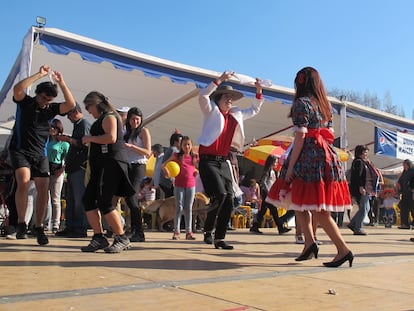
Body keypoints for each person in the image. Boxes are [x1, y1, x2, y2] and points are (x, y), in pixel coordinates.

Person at [266, 67, 353, 267]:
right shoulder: (325, 105)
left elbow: (300, 137)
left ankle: (343, 249)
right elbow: (328, 133)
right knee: (300, 203)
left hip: (308, 158)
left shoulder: (301, 104)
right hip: (327, 157)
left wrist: (290, 167)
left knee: (317, 209)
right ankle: (309, 243)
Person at [9, 65, 76, 245]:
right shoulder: (25, 102)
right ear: (38, 94)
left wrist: (61, 83)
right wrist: (40, 74)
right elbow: (17, 89)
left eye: (50, 99)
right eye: (44, 98)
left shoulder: (50, 109)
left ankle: (38, 226)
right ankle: (21, 222)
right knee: (23, 181)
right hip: (20, 150)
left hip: (40, 154)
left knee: (43, 190)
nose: (46, 102)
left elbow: (71, 105)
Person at [198, 70, 264, 250]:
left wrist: (258, 90)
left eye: (231, 98)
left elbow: (255, 109)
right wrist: (219, 80)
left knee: (229, 198)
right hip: (207, 161)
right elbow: (203, 94)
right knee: (221, 196)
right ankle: (208, 230)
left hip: (223, 161)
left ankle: (218, 238)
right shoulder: (211, 110)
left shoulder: (236, 114)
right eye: (226, 97)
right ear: (218, 98)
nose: (230, 100)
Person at [80, 91, 135, 253]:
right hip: (100, 165)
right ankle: (98, 237)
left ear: (95, 104)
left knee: (105, 202)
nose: (88, 111)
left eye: (88, 107)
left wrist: (89, 138)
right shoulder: (103, 118)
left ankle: (122, 237)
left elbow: (111, 137)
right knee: (88, 199)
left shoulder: (110, 116)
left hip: (111, 164)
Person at [55, 103, 91, 238]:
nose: (68, 118)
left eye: (69, 114)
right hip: (73, 168)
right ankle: (71, 226)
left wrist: (68, 139)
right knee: (70, 199)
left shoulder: (84, 124)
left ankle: (80, 227)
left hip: (79, 167)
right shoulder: (78, 125)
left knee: (78, 199)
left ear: (75, 112)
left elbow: (84, 144)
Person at [123, 106, 151, 242]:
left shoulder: (143, 131)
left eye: (137, 119)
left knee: (132, 195)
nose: (134, 121)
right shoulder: (127, 133)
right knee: (128, 197)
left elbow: (148, 151)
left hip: (139, 165)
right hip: (127, 165)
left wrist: (132, 147)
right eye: (132, 119)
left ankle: (139, 231)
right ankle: (134, 229)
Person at [163, 136, 198, 240]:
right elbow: (164, 165)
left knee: (189, 209)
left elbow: (195, 168)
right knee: (179, 207)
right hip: (179, 185)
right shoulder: (176, 156)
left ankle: (189, 232)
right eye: (184, 144)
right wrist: (167, 172)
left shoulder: (194, 157)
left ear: (191, 146)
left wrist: (196, 171)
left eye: (188, 144)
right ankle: (176, 232)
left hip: (191, 185)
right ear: (181, 146)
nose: (186, 147)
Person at [250, 154, 294, 235]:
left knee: (263, 211)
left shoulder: (273, 172)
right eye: (275, 162)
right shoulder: (267, 171)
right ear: (271, 162)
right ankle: (280, 227)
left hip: (270, 193)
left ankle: (255, 226)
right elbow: (263, 182)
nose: (276, 164)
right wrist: (268, 192)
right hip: (267, 193)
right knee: (273, 211)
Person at [348, 145, 381, 235]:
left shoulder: (362, 162)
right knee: (364, 208)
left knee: (365, 208)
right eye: (365, 152)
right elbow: (357, 176)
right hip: (362, 188)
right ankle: (358, 227)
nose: (366, 154)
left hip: (365, 188)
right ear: (360, 153)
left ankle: (353, 223)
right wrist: (361, 186)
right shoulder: (358, 162)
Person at [45, 119, 70, 233]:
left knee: (55, 199)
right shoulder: (46, 141)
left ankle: (56, 223)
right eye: (50, 127)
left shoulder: (63, 143)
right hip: (46, 169)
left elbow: (68, 158)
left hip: (57, 169)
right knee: (45, 198)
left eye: (54, 127)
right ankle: (45, 222)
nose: (52, 130)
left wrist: (62, 170)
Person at [159, 132, 183, 198]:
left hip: (164, 180)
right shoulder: (174, 150)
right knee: (170, 200)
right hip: (168, 181)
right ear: (175, 142)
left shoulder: (169, 149)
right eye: (180, 141)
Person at [395, 159, 414, 229]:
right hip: (405, 193)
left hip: (411, 193)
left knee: (413, 209)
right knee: (403, 209)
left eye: (405, 164)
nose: (403, 166)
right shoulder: (404, 172)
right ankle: (405, 224)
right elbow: (400, 182)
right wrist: (398, 191)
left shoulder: (412, 171)